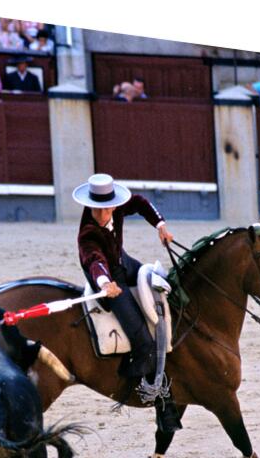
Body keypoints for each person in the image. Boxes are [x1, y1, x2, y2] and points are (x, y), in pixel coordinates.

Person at [73, 173, 181, 432]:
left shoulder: (118, 205)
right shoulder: (88, 233)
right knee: (143, 341)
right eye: (98, 209)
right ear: (90, 206)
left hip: (122, 261)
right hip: (107, 275)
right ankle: (145, 390)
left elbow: (142, 203)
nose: (104, 213)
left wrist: (160, 225)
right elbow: (94, 260)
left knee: (161, 282)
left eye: (108, 208)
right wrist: (104, 284)